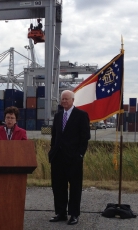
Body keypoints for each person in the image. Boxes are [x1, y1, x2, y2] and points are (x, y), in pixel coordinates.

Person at [48, 90, 90, 225]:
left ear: (73, 100)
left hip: (73, 159)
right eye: (62, 99)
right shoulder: (58, 116)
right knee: (58, 186)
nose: (64, 101)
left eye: (66, 99)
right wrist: (52, 151)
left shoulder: (81, 115)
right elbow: (54, 136)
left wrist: (80, 155)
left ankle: (74, 214)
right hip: (58, 158)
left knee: (75, 187)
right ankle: (61, 213)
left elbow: (85, 138)